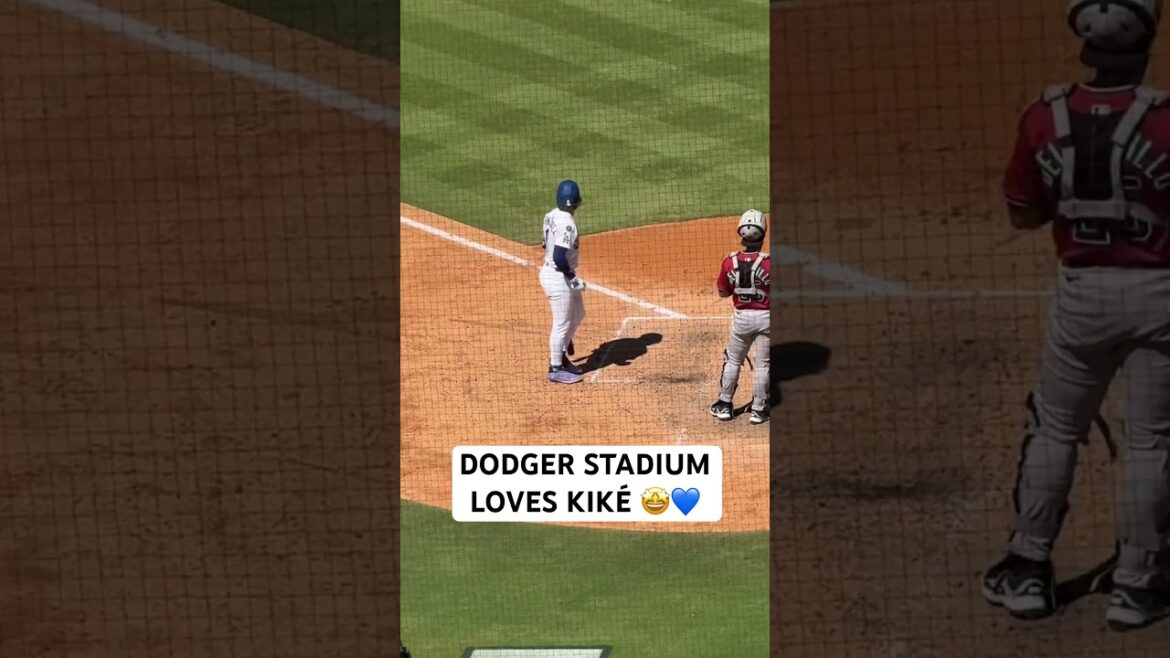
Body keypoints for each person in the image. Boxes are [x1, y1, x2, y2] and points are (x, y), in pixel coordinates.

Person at [981, 0, 1170, 630]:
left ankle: (1028, 570)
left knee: (1057, 426)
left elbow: (1022, 213)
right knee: (1150, 441)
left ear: (1082, 46)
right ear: (1147, 42)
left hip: (1082, 297)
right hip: (1160, 297)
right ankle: (1138, 587)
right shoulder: (1168, 121)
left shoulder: (1044, 115)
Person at [710, 209, 771, 424]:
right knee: (764, 364)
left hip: (741, 319)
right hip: (766, 318)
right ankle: (759, 410)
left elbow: (723, 292)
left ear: (741, 234)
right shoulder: (769, 263)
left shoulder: (729, 262)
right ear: (763, 234)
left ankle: (725, 404)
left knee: (733, 359)